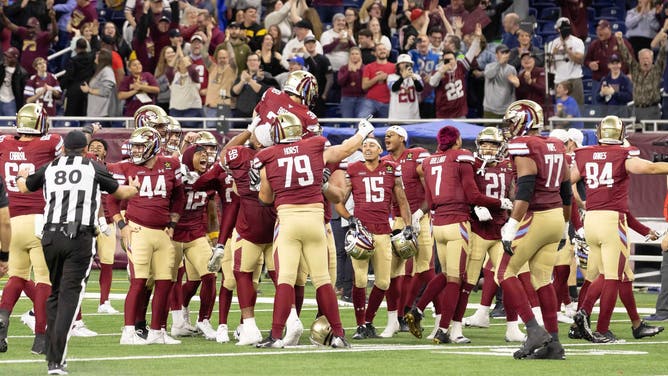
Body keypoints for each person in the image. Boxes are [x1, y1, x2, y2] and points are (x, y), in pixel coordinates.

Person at [15, 130, 140, 375]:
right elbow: (120, 193)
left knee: (55, 293)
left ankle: (51, 350)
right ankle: (56, 360)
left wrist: (21, 176)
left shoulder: (50, 166)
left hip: (50, 236)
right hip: (78, 236)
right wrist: (133, 188)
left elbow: (24, 188)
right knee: (70, 297)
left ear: (63, 149)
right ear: (85, 150)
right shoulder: (91, 166)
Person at [254, 113, 376, 348]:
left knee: (286, 280)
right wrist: (363, 131)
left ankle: (276, 336)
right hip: (315, 219)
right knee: (322, 280)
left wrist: (259, 182)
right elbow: (344, 150)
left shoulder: (267, 157)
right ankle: (339, 334)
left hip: (288, 220)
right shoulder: (314, 147)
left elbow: (266, 198)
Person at [405, 125, 508, 343]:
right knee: (455, 280)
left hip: (437, 223)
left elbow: (431, 200)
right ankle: (443, 330)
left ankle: (418, 309)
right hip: (457, 222)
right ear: (458, 141)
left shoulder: (429, 161)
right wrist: (500, 202)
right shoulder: (463, 156)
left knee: (444, 274)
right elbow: (473, 195)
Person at [571, 115, 667, 343]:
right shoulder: (623, 154)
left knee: (606, 275)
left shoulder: (584, 154)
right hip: (612, 222)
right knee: (611, 277)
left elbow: (568, 178)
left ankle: (632, 324)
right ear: (621, 134)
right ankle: (595, 323)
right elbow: (650, 168)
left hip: (591, 220)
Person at [497, 99, 571, 360]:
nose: (508, 128)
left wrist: (512, 224)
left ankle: (533, 329)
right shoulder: (556, 145)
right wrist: (565, 227)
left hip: (535, 216)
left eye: (510, 122)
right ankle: (554, 345)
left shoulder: (524, 145)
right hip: (554, 218)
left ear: (523, 119)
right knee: (542, 279)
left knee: (505, 273)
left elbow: (526, 188)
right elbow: (566, 190)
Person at [107, 126, 186, 346]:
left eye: (141, 145)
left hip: (162, 232)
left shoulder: (171, 164)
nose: (137, 150)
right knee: (139, 282)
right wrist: (121, 225)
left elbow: (179, 196)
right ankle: (129, 332)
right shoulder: (125, 167)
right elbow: (112, 200)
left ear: (153, 145)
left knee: (164, 283)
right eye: (135, 146)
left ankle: (157, 331)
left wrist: (173, 221)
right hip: (138, 230)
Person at [0, 104, 63, 355]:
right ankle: (40, 338)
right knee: (44, 280)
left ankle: (3, 315)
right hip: (39, 218)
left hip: (11, 221)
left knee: (16, 276)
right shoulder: (51, 142)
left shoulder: (4, 142)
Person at [335, 137, 412, 340]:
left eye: (372, 145)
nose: (367, 148)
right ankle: (361, 325)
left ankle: (368, 321)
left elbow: (402, 201)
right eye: (365, 145)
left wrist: (409, 225)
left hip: (382, 231)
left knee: (384, 282)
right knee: (359, 279)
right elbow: (339, 202)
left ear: (380, 150)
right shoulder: (353, 168)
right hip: (362, 232)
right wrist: (350, 219)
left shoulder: (391, 169)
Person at [379, 126, 431, 338]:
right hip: (397, 219)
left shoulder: (416, 156)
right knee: (393, 272)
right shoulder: (384, 163)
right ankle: (395, 319)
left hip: (421, 217)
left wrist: (420, 213)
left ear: (402, 138)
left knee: (425, 269)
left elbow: (431, 189)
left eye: (391, 135)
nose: (386, 138)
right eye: (386, 135)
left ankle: (417, 312)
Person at [616, 31, 666, 123]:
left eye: (647, 58)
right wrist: (620, 42)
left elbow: (662, 57)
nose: (645, 61)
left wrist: (663, 44)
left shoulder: (657, 70)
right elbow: (627, 56)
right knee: (637, 135)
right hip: (637, 109)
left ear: (651, 59)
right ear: (639, 60)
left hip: (652, 110)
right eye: (643, 58)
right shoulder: (635, 69)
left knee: (652, 136)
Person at [547, 18, 585, 106]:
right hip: (559, 80)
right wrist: (553, 54)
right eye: (562, 28)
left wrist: (568, 50)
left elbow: (580, 60)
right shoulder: (552, 44)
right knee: (561, 111)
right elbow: (548, 65)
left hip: (574, 79)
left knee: (577, 108)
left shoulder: (577, 42)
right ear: (557, 29)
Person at [359, 43, 395, 119]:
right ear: (375, 53)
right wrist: (377, 78)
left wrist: (387, 78)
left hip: (389, 102)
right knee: (361, 120)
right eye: (379, 49)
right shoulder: (368, 67)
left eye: (384, 49)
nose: (382, 51)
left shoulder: (394, 67)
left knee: (383, 128)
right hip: (371, 101)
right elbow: (364, 86)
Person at [484, 44, 516, 118]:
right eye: (502, 53)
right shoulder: (489, 66)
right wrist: (499, 63)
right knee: (489, 129)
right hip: (490, 108)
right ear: (496, 55)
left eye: (506, 53)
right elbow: (489, 75)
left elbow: (512, 90)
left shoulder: (512, 69)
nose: (505, 55)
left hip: (506, 109)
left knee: (507, 130)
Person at [387, 54, 423, 119]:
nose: (405, 65)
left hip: (413, 117)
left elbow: (420, 89)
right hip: (396, 117)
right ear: (398, 65)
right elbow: (393, 89)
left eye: (407, 63)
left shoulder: (416, 77)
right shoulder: (391, 77)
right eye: (402, 63)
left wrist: (413, 77)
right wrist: (403, 77)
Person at [0, 47, 28, 119]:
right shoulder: (1, 68)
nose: (6, 58)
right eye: (5, 56)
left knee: (10, 127)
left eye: (9, 57)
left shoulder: (22, 73)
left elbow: (22, 93)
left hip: (11, 102)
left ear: (15, 59)